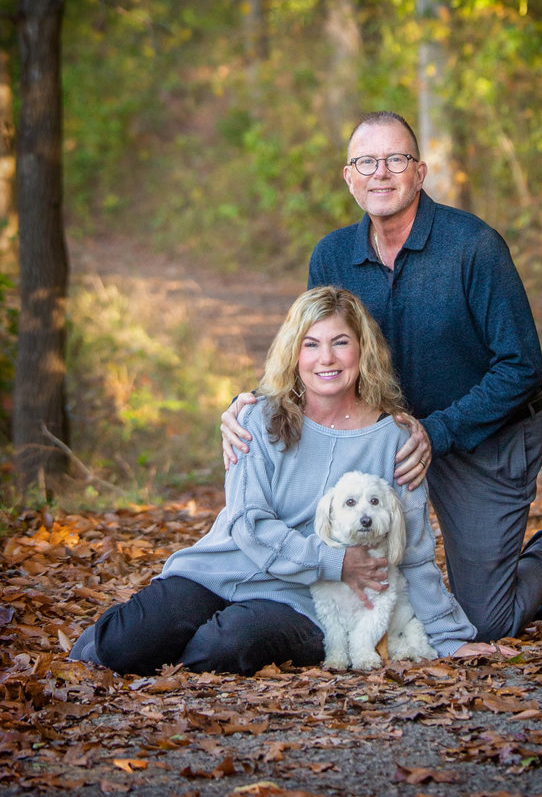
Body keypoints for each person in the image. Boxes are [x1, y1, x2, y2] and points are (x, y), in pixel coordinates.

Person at [221, 111, 542, 643]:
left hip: (487, 431)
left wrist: (435, 432)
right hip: (386, 440)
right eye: (366, 162)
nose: (381, 173)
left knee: (482, 623)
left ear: (419, 172)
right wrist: (252, 402)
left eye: (395, 159)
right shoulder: (332, 254)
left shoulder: (473, 247)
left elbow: (522, 366)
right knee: (363, 578)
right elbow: (314, 355)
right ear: (349, 177)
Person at [70, 286, 505, 677]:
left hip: (302, 599)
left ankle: (173, 645)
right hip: (224, 568)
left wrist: (449, 638)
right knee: (123, 646)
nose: (326, 359)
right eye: (311, 344)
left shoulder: (394, 438)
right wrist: (337, 560)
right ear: (294, 353)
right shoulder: (256, 418)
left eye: (340, 343)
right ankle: (123, 641)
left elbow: (412, 551)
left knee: (219, 649)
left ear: (363, 351)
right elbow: (248, 523)